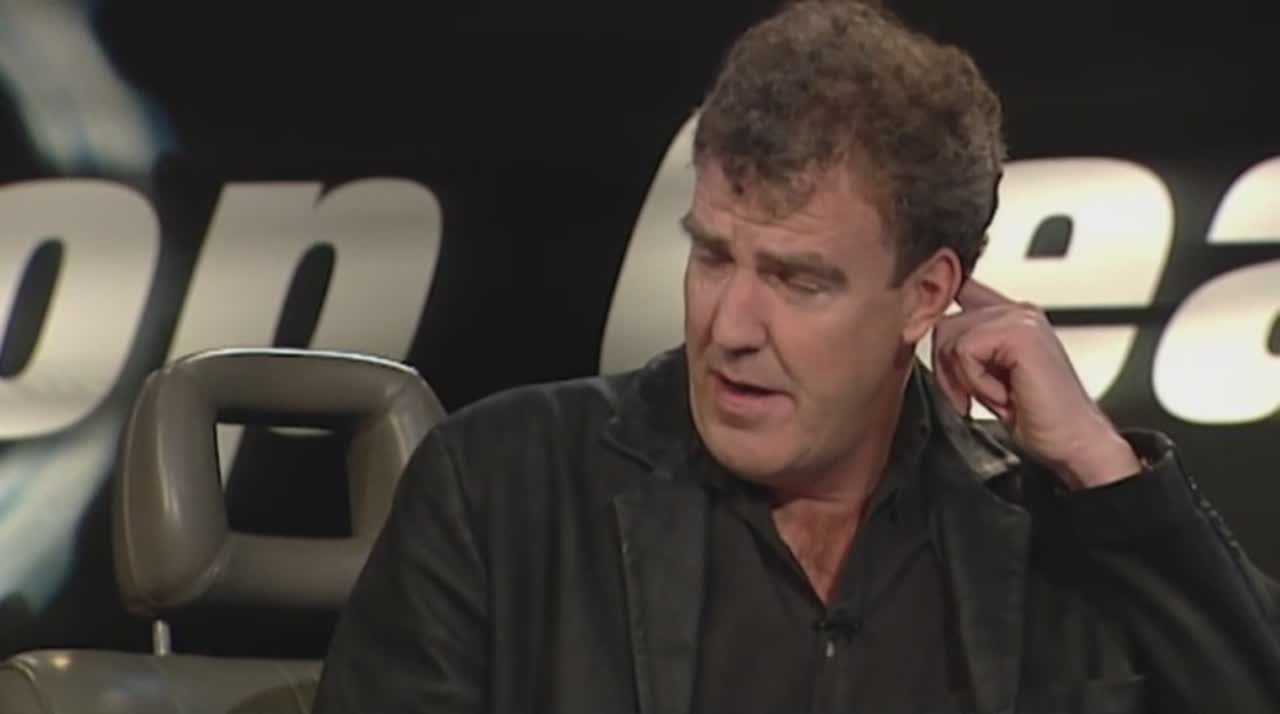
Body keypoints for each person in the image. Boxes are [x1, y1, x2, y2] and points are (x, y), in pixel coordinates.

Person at [312, 1, 1280, 712]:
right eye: (712, 256)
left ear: (925, 294)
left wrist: (1105, 470)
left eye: (796, 279)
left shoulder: (1046, 537)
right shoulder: (500, 487)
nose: (730, 325)